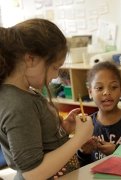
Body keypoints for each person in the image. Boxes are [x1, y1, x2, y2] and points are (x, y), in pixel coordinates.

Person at [0, 18, 93, 179]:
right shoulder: (18, 104)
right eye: (55, 67)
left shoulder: (25, 93)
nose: (56, 75)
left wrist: (61, 130)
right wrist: (79, 139)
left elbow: (37, 139)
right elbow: (33, 173)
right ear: (30, 59)